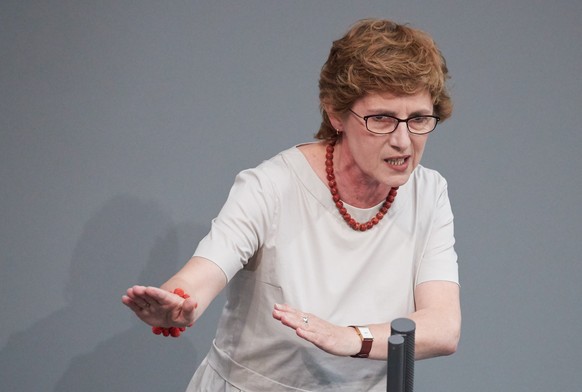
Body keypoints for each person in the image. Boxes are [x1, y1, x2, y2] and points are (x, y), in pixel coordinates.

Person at [122, 18, 461, 391]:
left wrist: (352, 338)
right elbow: (207, 268)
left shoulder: (428, 193)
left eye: (417, 119)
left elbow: (443, 327)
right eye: (381, 119)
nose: (403, 141)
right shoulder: (271, 185)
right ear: (336, 113)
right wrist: (178, 301)